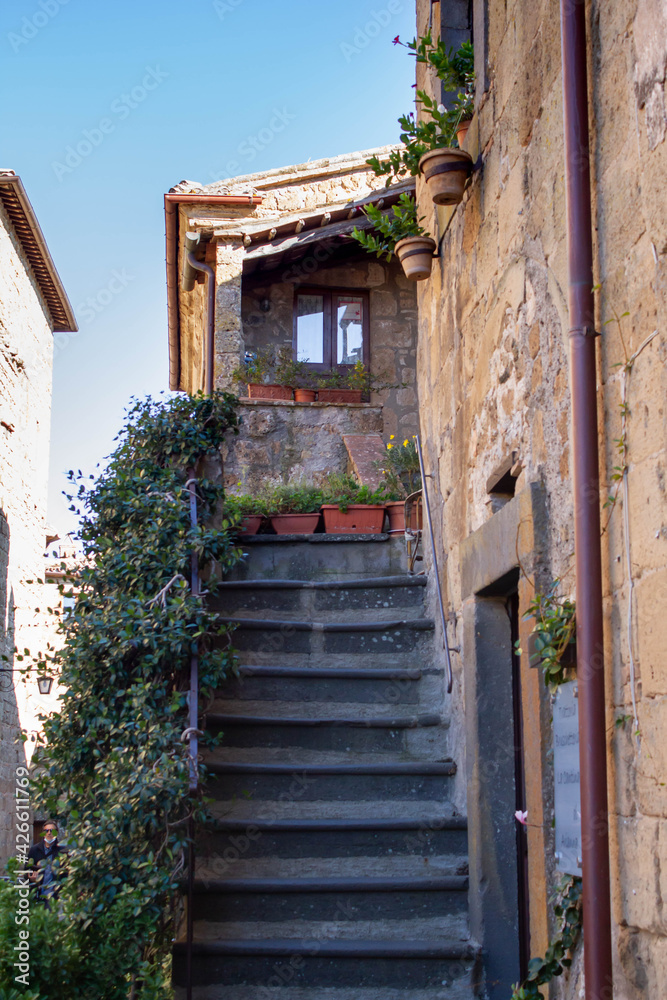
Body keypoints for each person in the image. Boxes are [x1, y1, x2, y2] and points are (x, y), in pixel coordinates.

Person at [27, 821, 66, 906]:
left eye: (52, 831)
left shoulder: (63, 851)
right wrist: (31, 878)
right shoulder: (34, 850)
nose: (49, 833)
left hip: (55, 897)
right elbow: (26, 871)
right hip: (37, 895)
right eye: (46, 830)